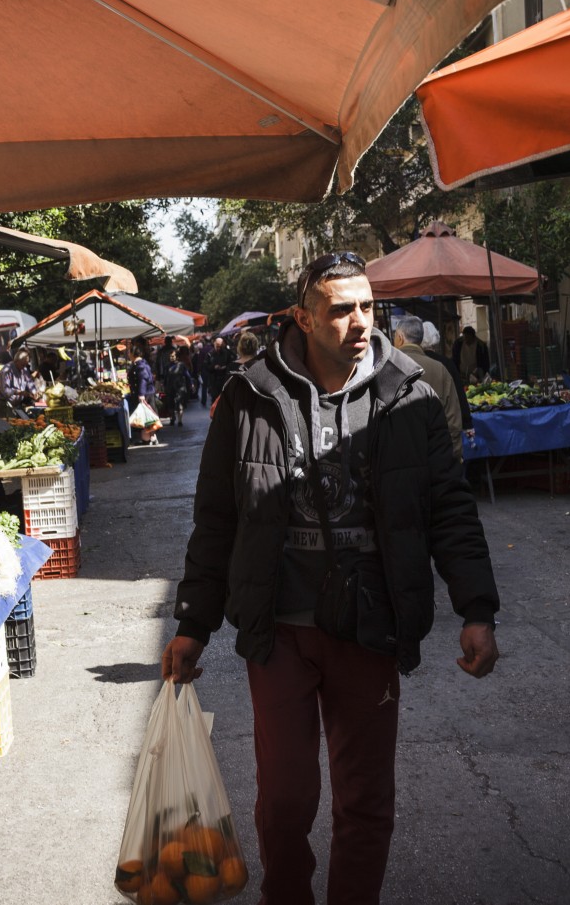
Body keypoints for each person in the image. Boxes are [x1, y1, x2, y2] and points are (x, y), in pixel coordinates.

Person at [162, 252, 500, 905]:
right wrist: (191, 624)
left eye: (366, 307)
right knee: (285, 798)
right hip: (280, 628)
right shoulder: (247, 396)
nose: (357, 322)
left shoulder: (411, 393)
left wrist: (476, 608)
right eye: (340, 309)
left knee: (365, 798)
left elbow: (451, 511)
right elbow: (215, 520)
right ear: (302, 317)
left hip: (369, 623)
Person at [393, 317, 464, 462]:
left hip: (400, 458)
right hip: (438, 456)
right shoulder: (440, 369)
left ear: (400, 338)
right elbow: (453, 418)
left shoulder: (388, 369)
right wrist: (454, 455)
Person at [422, 320, 472, 433]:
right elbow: (460, 394)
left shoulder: (411, 363)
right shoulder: (447, 363)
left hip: (422, 425)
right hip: (446, 423)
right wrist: (467, 422)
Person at [0, 348, 40, 417]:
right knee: (4, 426)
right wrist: (19, 392)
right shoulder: (7, 370)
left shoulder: (24, 369)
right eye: (22, 365)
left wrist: (34, 392)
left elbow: (29, 382)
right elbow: (5, 390)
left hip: (17, 404)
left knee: (18, 424)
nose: (24, 367)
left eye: (26, 365)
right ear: (16, 361)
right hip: (5, 404)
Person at [162, 347, 193, 427]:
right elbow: (165, 377)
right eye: (170, 356)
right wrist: (163, 386)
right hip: (170, 387)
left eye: (173, 356)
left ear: (176, 356)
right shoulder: (167, 366)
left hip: (180, 387)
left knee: (180, 404)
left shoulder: (181, 365)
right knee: (170, 404)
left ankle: (180, 421)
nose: (171, 358)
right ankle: (173, 418)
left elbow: (187, 376)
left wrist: (191, 384)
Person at [206, 336, 233, 403]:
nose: (218, 348)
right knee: (215, 399)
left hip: (224, 379)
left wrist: (225, 367)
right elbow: (206, 367)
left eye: (220, 346)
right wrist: (213, 367)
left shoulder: (227, 353)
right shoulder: (210, 354)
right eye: (217, 346)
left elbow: (231, 364)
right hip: (214, 380)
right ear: (214, 344)